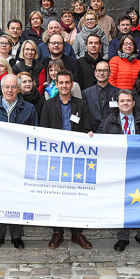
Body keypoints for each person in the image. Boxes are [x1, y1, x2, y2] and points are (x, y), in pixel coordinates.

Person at [93, 89, 140, 252]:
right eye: (122, 101)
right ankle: (123, 238)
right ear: (117, 103)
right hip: (119, 168)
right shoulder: (108, 121)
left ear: (133, 103)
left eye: (128, 100)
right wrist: (91, 137)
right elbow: (100, 139)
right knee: (123, 203)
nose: (125, 103)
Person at [0, 74, 38, 249]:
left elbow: (35, 135)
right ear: (2, 88)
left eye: (14, 87)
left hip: (20, 162)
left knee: (16, 198)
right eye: (7, 87)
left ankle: (16, 236)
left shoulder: (29, 109)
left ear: (19, 89)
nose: (10, 90)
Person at [39, 70, 93, 250]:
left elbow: (86, 128)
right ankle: (57, 232)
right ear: (56, 84)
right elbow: (43, 131)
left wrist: (89, 135)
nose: (64, 86)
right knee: (56, 194)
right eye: (60, 82)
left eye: (67, 82)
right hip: (55, 158)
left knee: (76, 194)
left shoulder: (82, 105)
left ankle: (77, 233)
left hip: (76, 158)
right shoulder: (48, 105)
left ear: (72, 84)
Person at [82, 61, 120, 132]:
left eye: (105, 70)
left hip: (112, 134)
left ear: (110, 73)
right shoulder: (86, 93)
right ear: (95, 73)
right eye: (99, 70)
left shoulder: (118, 92)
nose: (102, 73)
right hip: (92, 134)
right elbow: (85, 116)